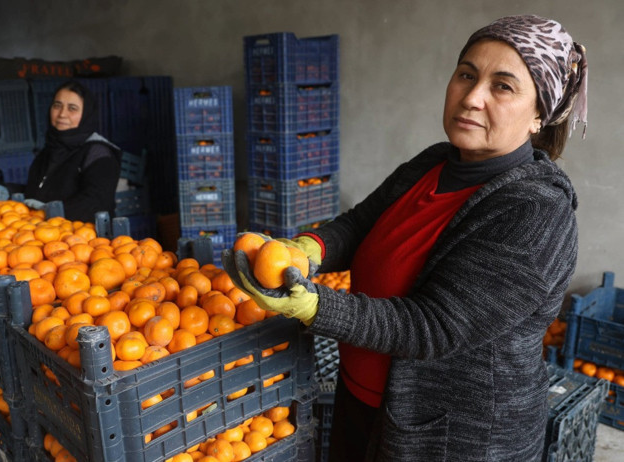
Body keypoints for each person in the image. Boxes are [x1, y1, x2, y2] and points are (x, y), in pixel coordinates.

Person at [223, 14, 587, 461]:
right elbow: (361, 223)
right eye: (466, 75)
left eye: (502, 86)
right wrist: (310, 248)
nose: (472, 98)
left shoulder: (536, 213)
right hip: (360, 398)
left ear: (538, 116)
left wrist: (315, 306)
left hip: (449, 437)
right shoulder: (434, 162)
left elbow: (434, 326)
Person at [0, 79, 122, 222]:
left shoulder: (98, 154)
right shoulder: (50, 149)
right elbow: (37, 193)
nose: (62, 114)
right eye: (57, 106)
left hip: (82, 233)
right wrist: (7, 191)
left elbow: (96, 203)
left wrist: (53, 211)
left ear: (86, 114)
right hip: (43, 230)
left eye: (72, 108)